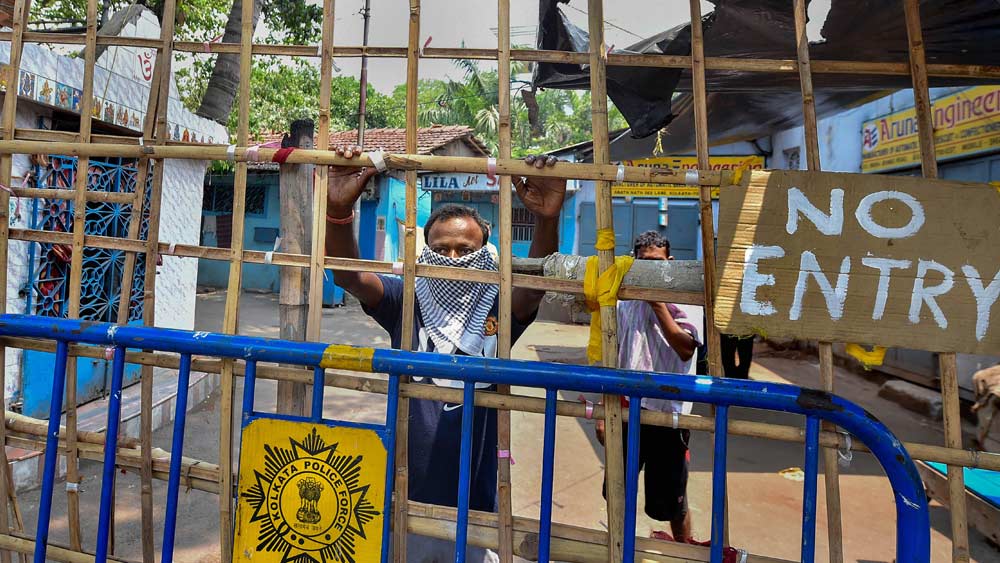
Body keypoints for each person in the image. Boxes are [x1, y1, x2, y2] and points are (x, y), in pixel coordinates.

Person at [324, 146, 566, 562]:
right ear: (424, 253)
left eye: (465, 249)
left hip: (476, 493)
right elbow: (348, 275)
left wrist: (547, 219)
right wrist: (337, 211)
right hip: (408, 490)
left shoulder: (498, 304)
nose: (452, 259)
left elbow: (536, 287)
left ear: (485, 254)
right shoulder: (406, 299)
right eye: (441, 248)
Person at [596, 230, 700, 542]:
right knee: (616, 490)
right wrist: (604, 408)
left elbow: (685, 347)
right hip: (627, 412)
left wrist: (658, 304)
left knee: (671, 502)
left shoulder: (685, 297)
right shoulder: (623, 301)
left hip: (668, 415)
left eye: (657, 263)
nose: (650, 270)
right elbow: (612, 357)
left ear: (669, 262)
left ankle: (683, 548)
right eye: (644, 264)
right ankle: (620, 547)